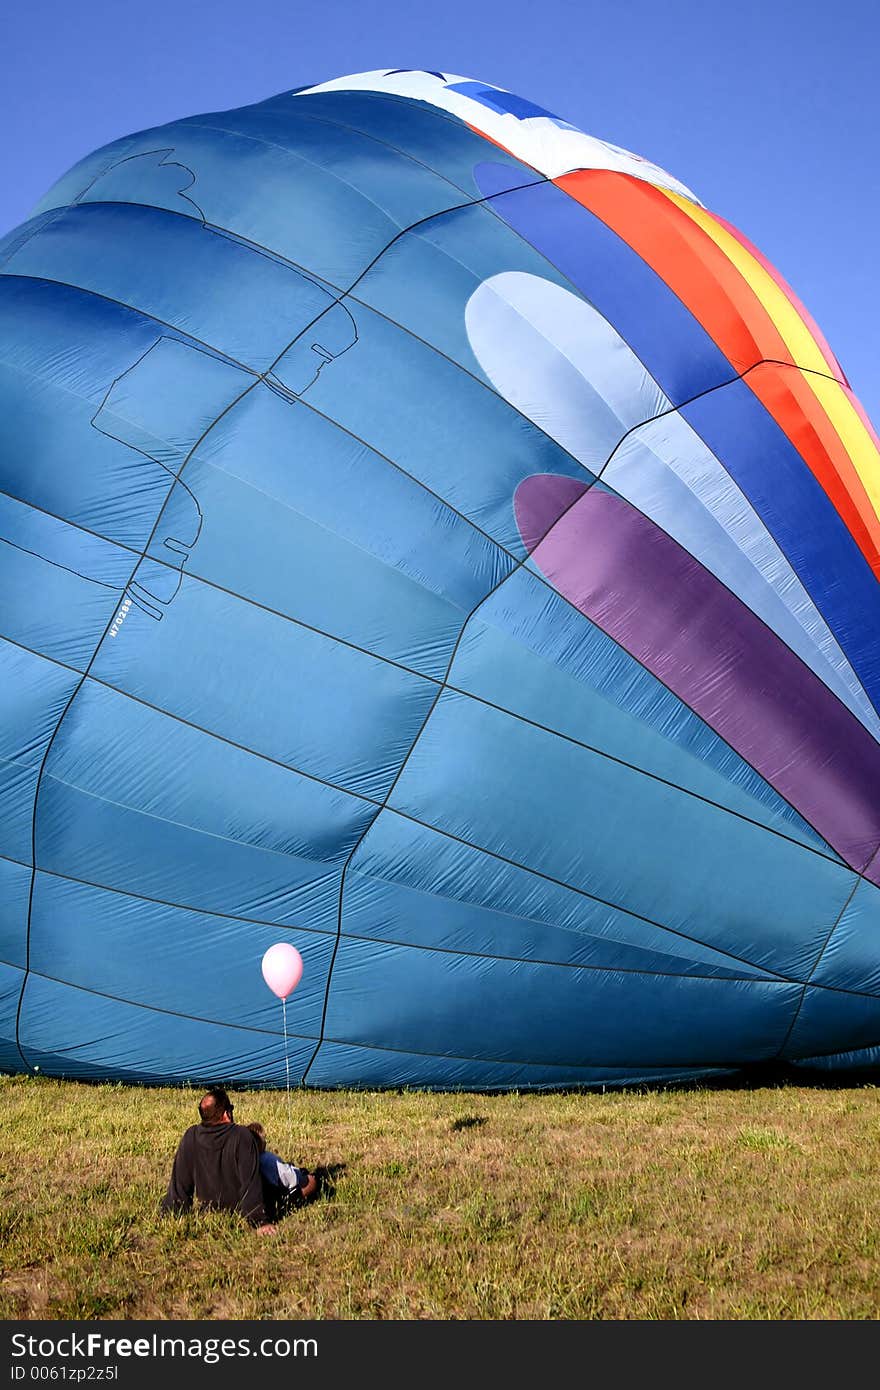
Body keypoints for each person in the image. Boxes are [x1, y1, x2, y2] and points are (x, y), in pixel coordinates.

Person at [160, 1086, 276, 1234]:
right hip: (242, 1208)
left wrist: (171, 1213)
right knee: (304, 1183)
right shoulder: (242, 1136)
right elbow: (250, 1182)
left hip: (209, 1210)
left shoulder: (192, 1136)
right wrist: (259, 1221)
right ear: (227, 1114)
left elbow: (179, 1186)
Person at [246, 1122, 319, 1217]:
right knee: (312, 1181)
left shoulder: (248, 1161)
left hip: (261, 1197)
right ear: (262, 1142)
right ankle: (292, 1203)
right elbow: (291, 1178)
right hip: (278, 1194)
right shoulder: (268, 1159)